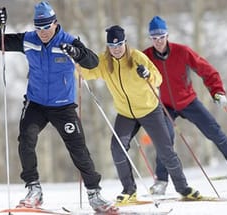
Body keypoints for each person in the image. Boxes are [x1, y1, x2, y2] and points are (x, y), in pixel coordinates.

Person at [0, 2, 116, 212]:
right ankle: (34, 190)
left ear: (55, 23)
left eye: (46, 27)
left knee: (78, 148)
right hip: (36, 103)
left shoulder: (68, 41)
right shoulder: (28, 40)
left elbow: (92, 62)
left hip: (63, 106)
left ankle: (95, 194)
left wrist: (76, 52)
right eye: (39, 27)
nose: (43, 32)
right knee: (26, 140)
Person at [80, 25, 204, 203]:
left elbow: (157, 78)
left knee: (166, 150)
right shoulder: (104, 61)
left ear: (125, 43)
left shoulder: (137, 57)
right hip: (125, 114)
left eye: (119, 45)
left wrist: (147, 74)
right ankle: (129, 190)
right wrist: (75, 63)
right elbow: (87, 72)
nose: (116, 49)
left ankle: (183, 188)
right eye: (112, 46)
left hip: (149, 110)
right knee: (117, 148)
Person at [142, 16, 227, 195]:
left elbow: (207, 70)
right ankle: (161, 181)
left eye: (161, 37)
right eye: (154, 38)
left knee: (213, 130)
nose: (158, 42)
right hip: (164, 106)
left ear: (167, 35)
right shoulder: (145, 57)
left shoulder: (183, 52)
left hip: (188, 100)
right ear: (150, 38)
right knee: (165, 140)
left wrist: (217, 91)